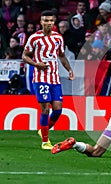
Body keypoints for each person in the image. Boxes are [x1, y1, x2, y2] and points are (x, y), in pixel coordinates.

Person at [22, 10, 75, 150]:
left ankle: (43, 130)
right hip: (40, 78)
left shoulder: (58, 38)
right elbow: (24, 56)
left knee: (58, 110)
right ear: (41, 22)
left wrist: (69, 70)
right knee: (45, 109)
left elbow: (62, 56)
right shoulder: (34, 38)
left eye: (51, 21)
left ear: (54, 22)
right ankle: (45, 141)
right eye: (46, 21)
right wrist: (36, 64)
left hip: (55, 78)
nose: (49, 23)